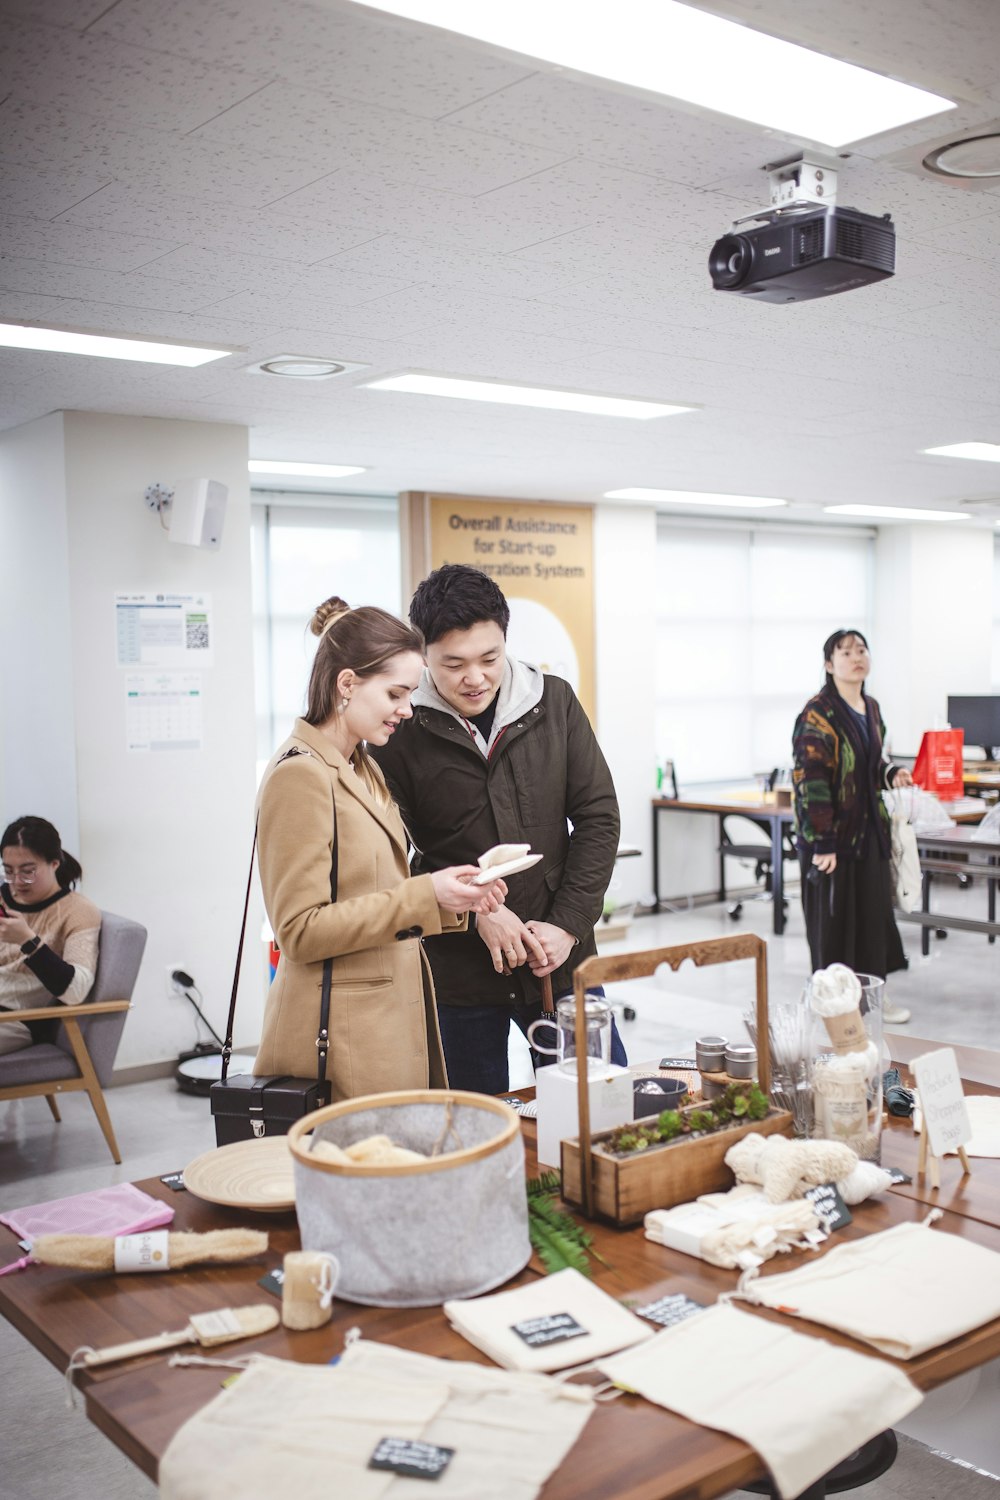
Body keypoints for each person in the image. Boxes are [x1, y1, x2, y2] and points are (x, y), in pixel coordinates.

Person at [370, 563, 624, 1093]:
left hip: (561, 958)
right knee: (472, 1131)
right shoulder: (399, 730)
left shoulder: (553, 702)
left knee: (599, 1109)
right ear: (423, 657)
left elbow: (598, 818)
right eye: (452, 664)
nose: (475, 677)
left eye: (489, 658)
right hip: (459, 971)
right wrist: (475, 915)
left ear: (506, 640)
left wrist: (568, 924)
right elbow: (394, 854)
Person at [253, 596, 506, 1101]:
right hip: (343, 1034)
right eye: (395, 694)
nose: (407, 711)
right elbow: (300, 931)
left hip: (385, 1020)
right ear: (347, 684)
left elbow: (376, 892)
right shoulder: (300, 775)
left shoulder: (362, 766)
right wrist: (425, 896)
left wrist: (454, 897)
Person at [792, 629, 914, 1025]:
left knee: (873, 921)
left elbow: (869, 765)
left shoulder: (871, 707)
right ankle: (834, 1006)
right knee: (834, 925)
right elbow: (812, 780)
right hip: (832, 842)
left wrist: (891, 773)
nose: (856, 657)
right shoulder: (818, 713)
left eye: (861, 650)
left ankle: (872, 1000)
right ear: (830, 665)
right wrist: (824, 843)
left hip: (870, 837)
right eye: (845, 652)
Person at [0, 816, 101, 1055]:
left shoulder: (77, 911)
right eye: (8, 871)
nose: (16, 882)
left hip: (19, 1019)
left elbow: (76, 991)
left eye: (27, 871)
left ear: (54, 863)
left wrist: (29, 942)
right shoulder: (3, 898)